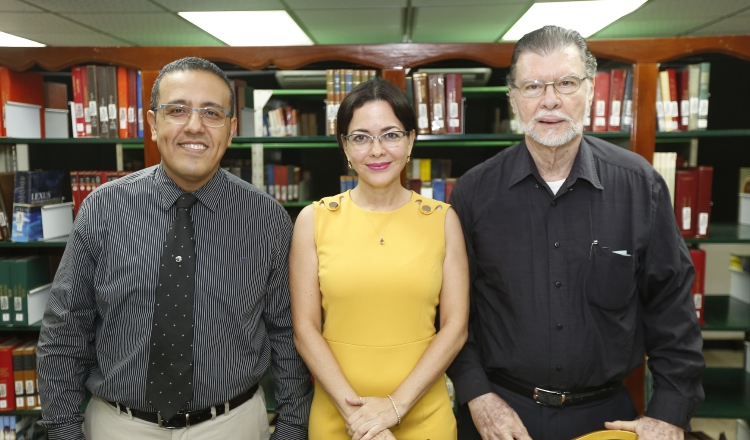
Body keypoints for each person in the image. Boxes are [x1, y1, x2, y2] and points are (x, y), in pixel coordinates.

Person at [446, 25, 705, 440]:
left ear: (590, 88)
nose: (550, 100)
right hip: (500, 417)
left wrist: (670, 413)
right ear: (513, 97)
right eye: (532, 86)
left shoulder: (639, 184)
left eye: (566, 83)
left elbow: (672, 310)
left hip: (605, 419)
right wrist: (476, 394)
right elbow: (454, 311)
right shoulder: (475, 192)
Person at [37, 57, 313, 440]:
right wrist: (64, 429)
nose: (195, 126)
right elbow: (66, 327)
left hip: (233, 426)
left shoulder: (268, 218)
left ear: (232, 130)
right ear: (153, 123)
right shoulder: (103, 209)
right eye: (177, 110)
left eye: (212, 113)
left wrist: (293, 428)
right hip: (119, 426)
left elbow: (287, 334)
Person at [289, 78, 469, 440]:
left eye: (391, 134)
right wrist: (360, 418)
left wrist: (394, 407)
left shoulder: (443, 219)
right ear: (345, 146)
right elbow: (305, 330)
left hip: (422, 414)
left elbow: (455, 329)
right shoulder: (313, 220)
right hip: (340, 416)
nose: (377, 150)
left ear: (410, 141)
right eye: (361, 137)